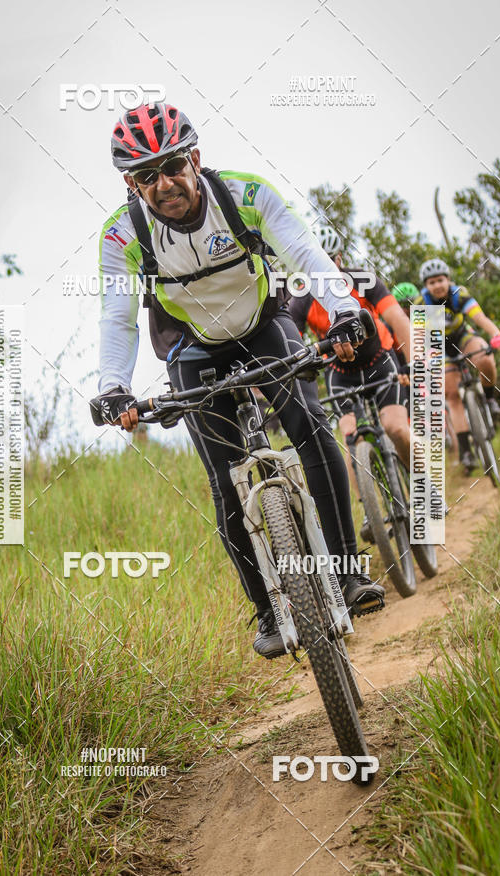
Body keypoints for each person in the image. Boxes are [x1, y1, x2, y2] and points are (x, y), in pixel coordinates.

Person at [90, 102, 385, 660]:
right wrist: (113, 386)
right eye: (147, 175)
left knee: (312, 430)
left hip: (261, 322)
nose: (165, 183)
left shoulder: (246, 195)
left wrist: (345, 311)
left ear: (195, 158)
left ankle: (348, 573)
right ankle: (269, 611)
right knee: (224, 477)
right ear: (132, 184)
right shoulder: (121, 234)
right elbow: (116, 314)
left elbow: (305, 254)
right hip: (190, 344)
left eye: (173, 164)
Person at [288, 226, 412, 544]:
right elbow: (291, 341)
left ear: (339, 259)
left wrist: (412, 364)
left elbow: (399, 320)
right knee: (351, 438)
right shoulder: (303, 296)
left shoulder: (363, 280)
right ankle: (371, 511)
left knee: (396, 427)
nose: (323, 266)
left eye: (329, 259)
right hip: (339, 372)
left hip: (378, 362)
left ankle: (427, 491)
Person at [414, 259, 500, 473]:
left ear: (448, 280)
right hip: (439, 346)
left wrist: (495, 333)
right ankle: (465, 450)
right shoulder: (420, 303)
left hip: (462, 337)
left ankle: (490, 397)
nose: (437, 285)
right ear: (426, 286)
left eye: (440, 280)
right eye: (431, 282)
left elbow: (479, 317)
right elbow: (418, 336)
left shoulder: (459, 295)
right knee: (452, 394)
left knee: (484, 357)